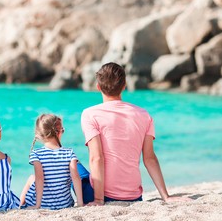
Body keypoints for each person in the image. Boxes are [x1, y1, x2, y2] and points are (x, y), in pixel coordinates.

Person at [80, 62, 190, 205]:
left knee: (71, 163)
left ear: (98, 87)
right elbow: (150, 159)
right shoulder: (144, 115)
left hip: (103, 196)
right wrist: (166, 196)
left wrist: (99, 200)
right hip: (133, 197)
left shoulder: (89, 114)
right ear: (124, 86)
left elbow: (97, 158)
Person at [20, 114, 83, 210]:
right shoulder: (69, 153)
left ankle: (20, 205)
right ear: (59, 132)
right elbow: (76, 178)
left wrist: (38, 205)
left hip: (44, 205)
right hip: (65, 205)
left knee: (31, 178)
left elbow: (39, 179)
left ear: (39, 134)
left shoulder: (37, 154)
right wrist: (80, 203)